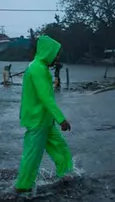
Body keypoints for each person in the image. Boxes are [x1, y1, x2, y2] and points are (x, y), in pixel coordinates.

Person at [15, 35, 73, 193]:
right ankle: (22, 188)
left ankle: (66, 175)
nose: (58, 57)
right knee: (32, 158)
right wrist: (61, 119)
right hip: (37, 122)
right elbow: (45, 98)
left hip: (45, 121)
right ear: (49, 52)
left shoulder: (40, 67)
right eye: (56, 53)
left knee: (61, 148)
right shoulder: (37, 69)